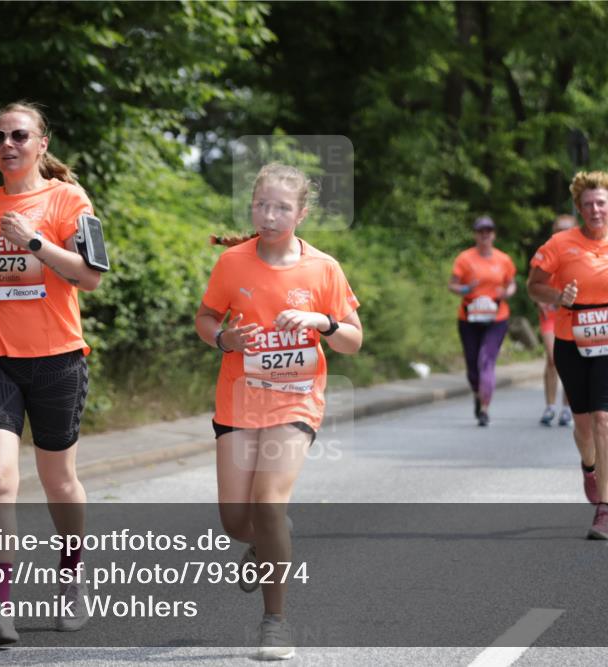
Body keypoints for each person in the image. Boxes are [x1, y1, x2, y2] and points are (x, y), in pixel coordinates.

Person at [0, 101, 103, 645]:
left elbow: (91, 278)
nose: (6, 144)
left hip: (57, 356)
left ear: (40, 143)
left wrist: (34, 241)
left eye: (18, 135)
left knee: (59, 480)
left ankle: (73, 575)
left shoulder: (69, 199)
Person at [195, 163, 362, 660]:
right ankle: (270, 538)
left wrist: (322, 321)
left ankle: (275, 622)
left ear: (301, 213)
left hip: (295, 401)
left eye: (282, 207)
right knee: (235, 520)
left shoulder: (322, 268)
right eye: (262, 205)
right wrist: (224, 338)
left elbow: (353, 341)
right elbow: (205, 318)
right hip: (238, 400)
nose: (270, 215)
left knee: (268, 503)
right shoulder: (232, 264)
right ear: (252, 207)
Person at [527, 171, 608, 540]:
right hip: (573, 341)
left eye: (601, 203)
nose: (595, 209)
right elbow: (534, 285)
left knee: (604, 419)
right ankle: (589, 467)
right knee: (583, 427)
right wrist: (557, 297)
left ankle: (606, 510)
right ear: (580, 209)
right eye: (588, 204)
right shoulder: (559, 244)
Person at [448, 216, 517, 426]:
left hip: (496, 317)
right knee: (472, 365)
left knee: (486, 360)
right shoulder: (465, 259)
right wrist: (466, 289)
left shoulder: (503, 259)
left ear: (494, 234)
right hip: (469, 317)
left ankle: (485, 407)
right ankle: (478, 395)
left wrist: (507, 293)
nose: (485, 235)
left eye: (488, 231)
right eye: (481, 231)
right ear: (475, 235)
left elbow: (512, 284)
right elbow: (453, 285)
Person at [537, 214, 577, 427]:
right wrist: (543, 300)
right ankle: (550, 406)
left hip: (572, 314)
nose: (562, 233)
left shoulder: (580, 252)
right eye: (558, 229)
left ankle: (567, 408)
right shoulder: (545, 253)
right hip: (551, 314)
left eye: (567, 229)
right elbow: (534, 284)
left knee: (570, 360)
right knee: (553, 358)